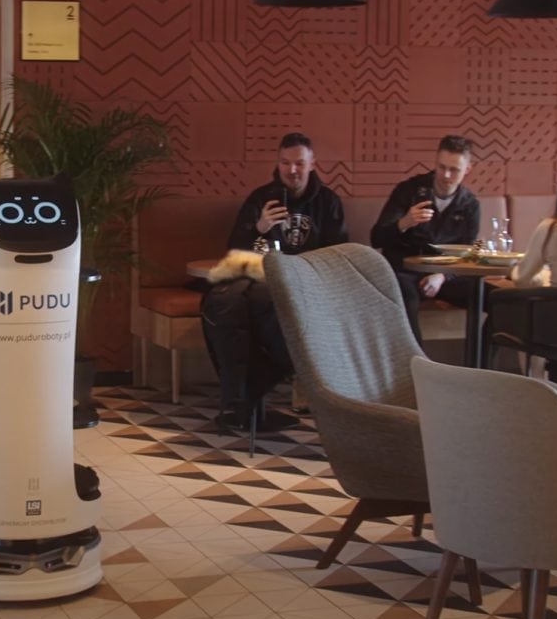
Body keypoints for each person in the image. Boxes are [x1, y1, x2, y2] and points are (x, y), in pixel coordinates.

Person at [200, 132, 348, 428]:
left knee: (264, 306)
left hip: (306, 284)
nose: (292, 170)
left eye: (299, 164)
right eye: (285, 163)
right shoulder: (261, 198)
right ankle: (238, 400)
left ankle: (250, 394)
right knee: (222, 302)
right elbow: (235, 250)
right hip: (259, 277)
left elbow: (339, 253)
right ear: (277, 163)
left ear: (312, 164)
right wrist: (260, 226)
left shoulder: (328, 202)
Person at [370, 135, 480, 343]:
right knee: (406, 297)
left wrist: (441, 276)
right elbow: (376, 238)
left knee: (484, 295)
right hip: (406, 271)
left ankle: (482, 366)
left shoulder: (470, 205)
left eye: (454, 170)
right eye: (441, 167)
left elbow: (468, 254)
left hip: (444, 273)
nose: (446, 175)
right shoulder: (409, 191)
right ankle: (416, 366)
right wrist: (404, 222)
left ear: (467, 170)